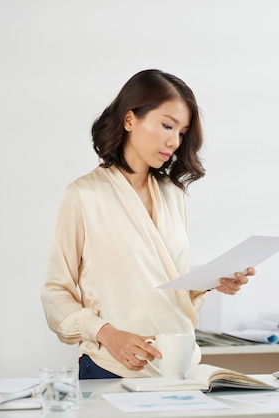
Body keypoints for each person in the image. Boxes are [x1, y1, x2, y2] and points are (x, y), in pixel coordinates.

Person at [41, 69, 254, 379]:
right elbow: (54, 293)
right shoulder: (84, 195)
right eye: (167, 125)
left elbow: (162, 282)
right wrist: (107, 334)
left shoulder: (173, 194)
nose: (174, 140)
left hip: (179, 366)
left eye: (181, 132)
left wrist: (210, 281)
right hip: (112, 368)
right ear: (129, 120)